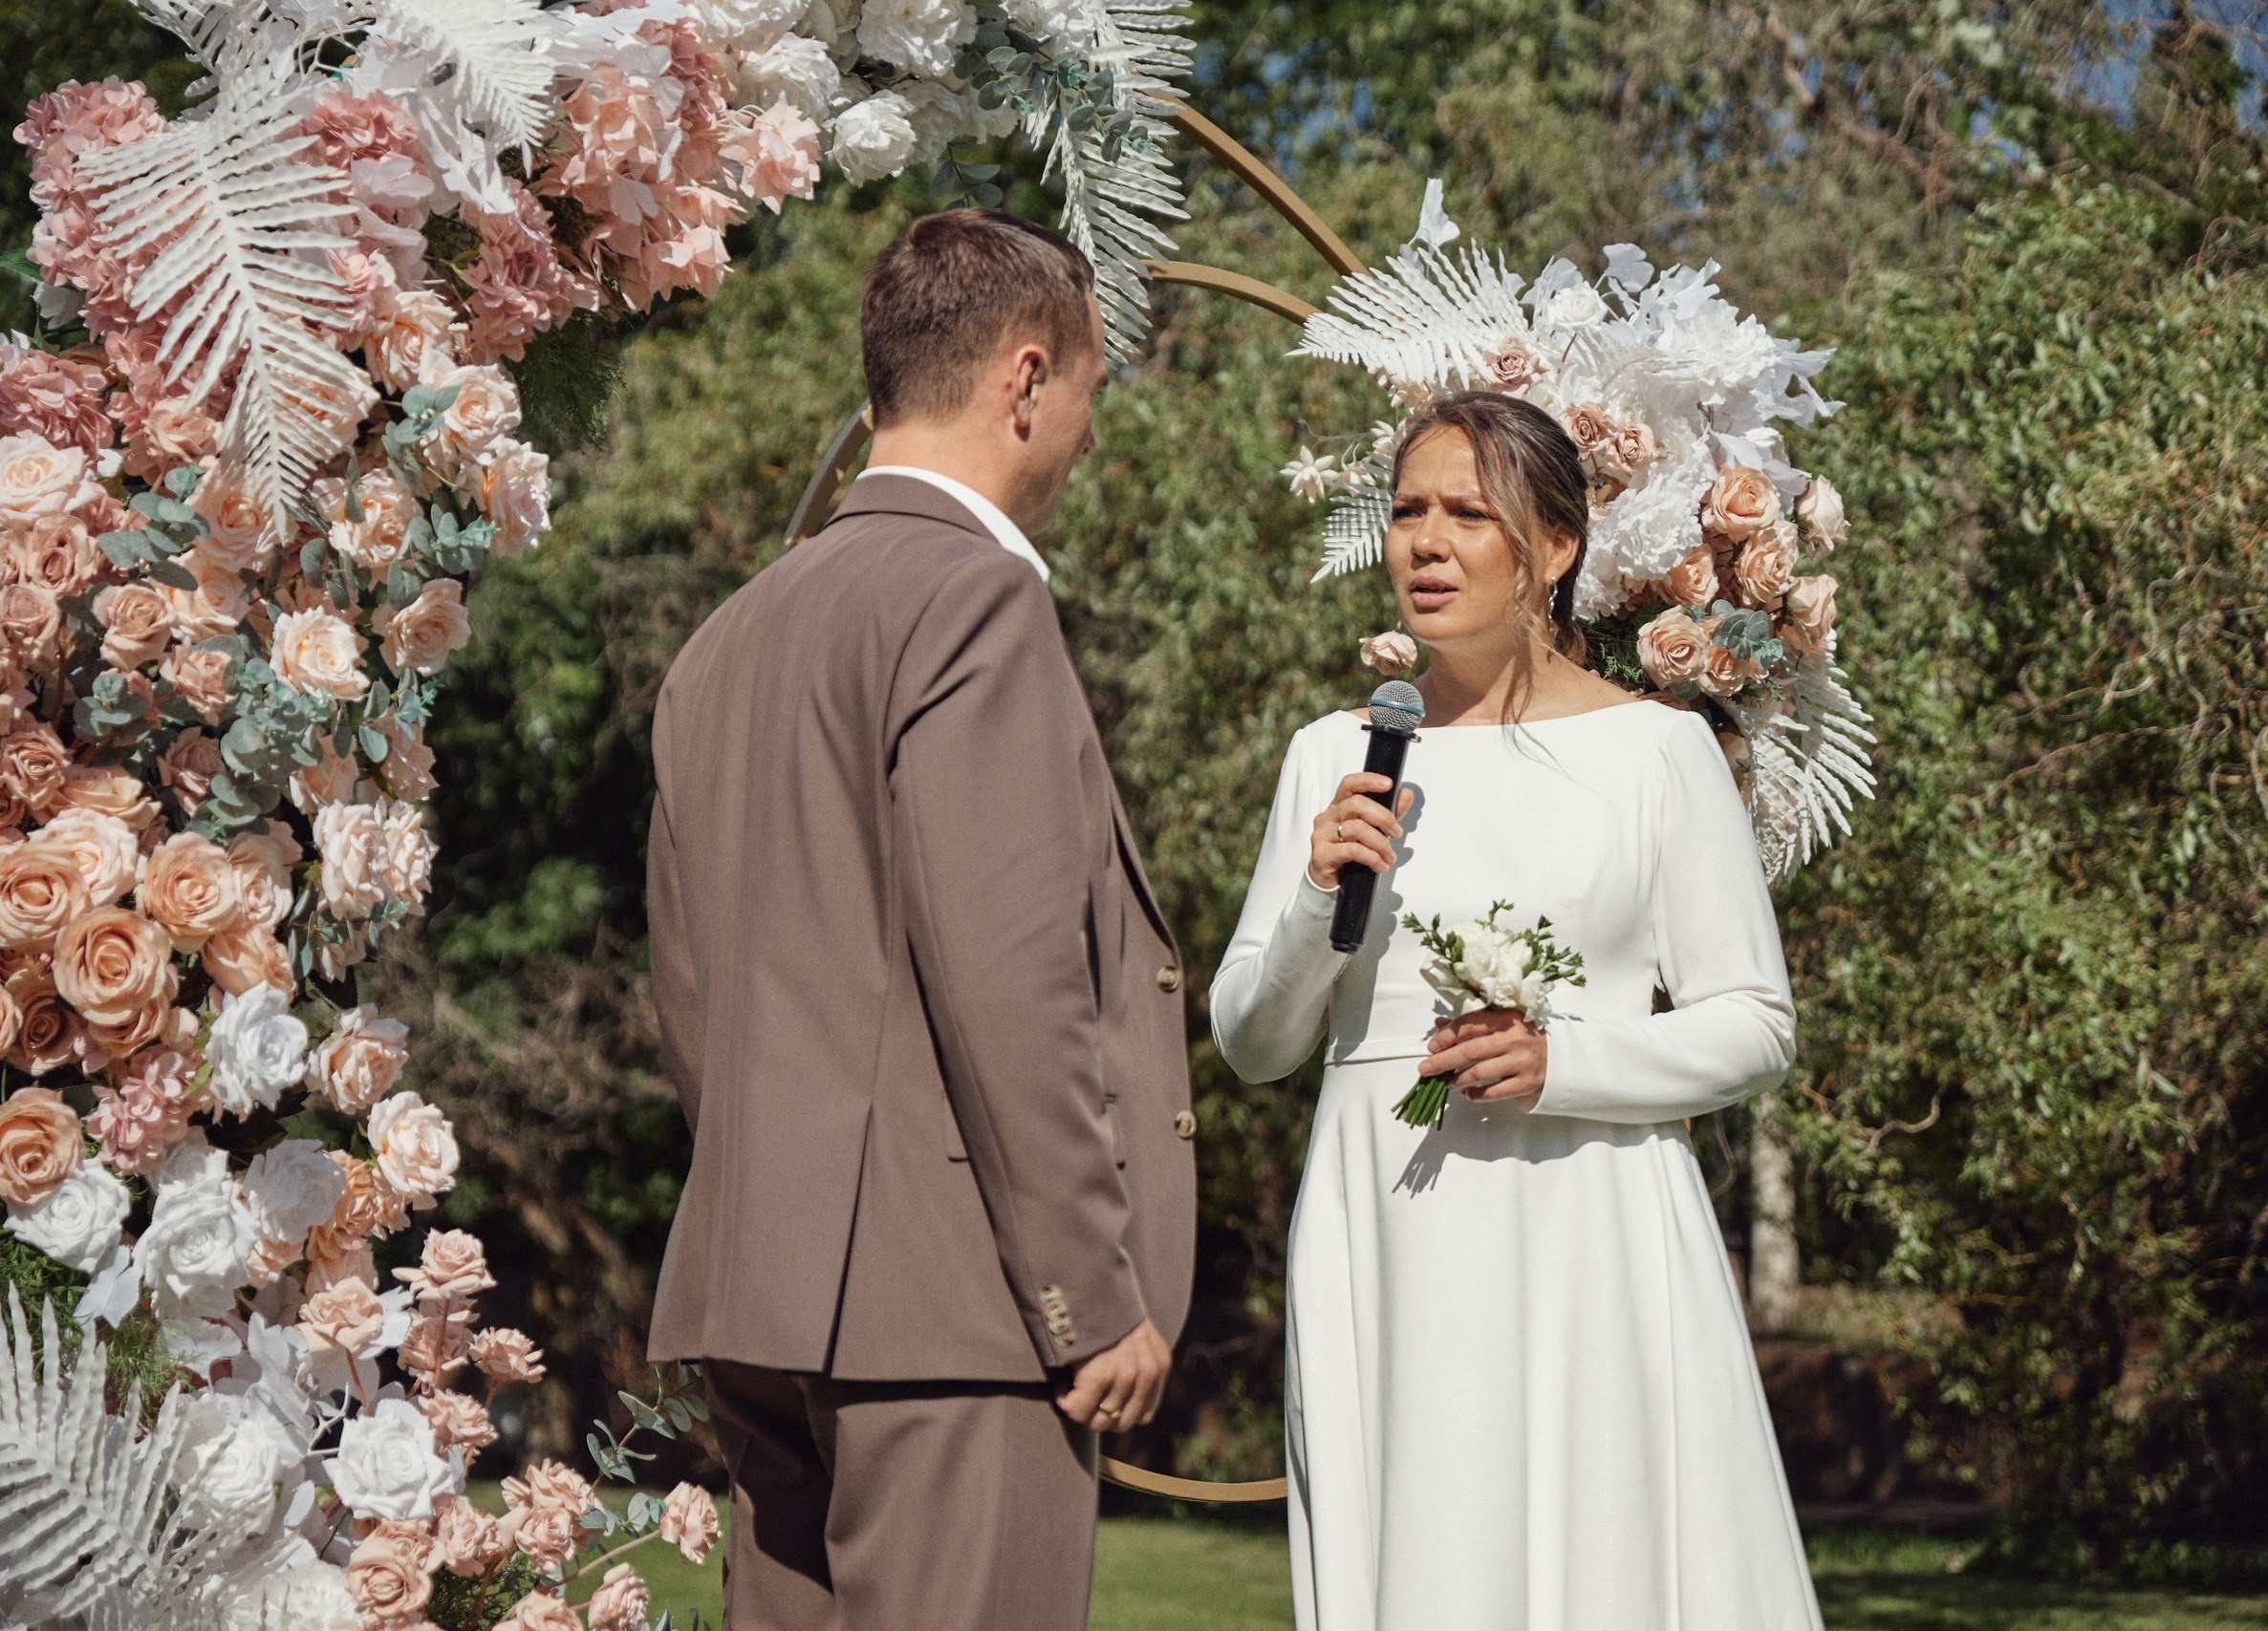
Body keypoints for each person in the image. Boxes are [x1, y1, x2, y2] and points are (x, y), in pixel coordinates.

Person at [644, 208, 1198, 1631]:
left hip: (762, 1303)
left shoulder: (728, 639)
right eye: (1085, 394)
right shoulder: (973, 602)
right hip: (955, 1319)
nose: (1082, 432)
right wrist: (1086, 1290)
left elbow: (694, 1000)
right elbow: (1011, 988)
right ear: (1024, 379)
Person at [1211, 392, 1822, 1629]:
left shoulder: (1657, 755)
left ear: (1553, 547)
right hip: (1383, 1224)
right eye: (1405, 513)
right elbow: (1253, 1041)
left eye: (1466, 515)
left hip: (1589, 1219)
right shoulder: (1334, 753)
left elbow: (1756, 1019)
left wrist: (1565, 1063)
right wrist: (1318, 896)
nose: (1424, 544)